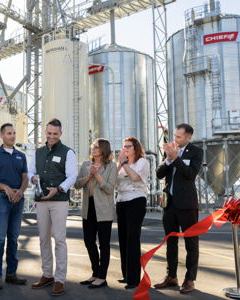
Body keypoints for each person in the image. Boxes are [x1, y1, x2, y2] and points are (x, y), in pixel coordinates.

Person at [28, 119, 78, 296]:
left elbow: (72, 176)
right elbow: (31, 172)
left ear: (60, 133)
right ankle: (47, 274)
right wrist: (33, 179)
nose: (51, 137)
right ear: (45, 132)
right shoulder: (38, 152)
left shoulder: (68, 152)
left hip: (59, 201)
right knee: (43, 239)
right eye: (49, 133)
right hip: (41, 201)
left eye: (55, 134)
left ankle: (59, 279)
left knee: (59, 239)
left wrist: (58, 189)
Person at [154, 123, 202, 294]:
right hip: (170, 204)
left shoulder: (196, 152)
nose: (175, 139)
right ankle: (171, 276)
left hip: (187, 205)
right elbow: (159, 174)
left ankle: (189, 279)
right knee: (171, 242)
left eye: (179, 137)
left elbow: (190, 174)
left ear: (188, 137)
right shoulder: (170, 150)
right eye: (175, 136)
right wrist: (168, 159)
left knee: (191, 243)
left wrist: (176, 159)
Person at [0, 123, 29, 289]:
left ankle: (11, 273)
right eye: (9, 133)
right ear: (2, 135)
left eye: (14, 133)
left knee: (13, 238)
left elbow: (25, 177)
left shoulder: (21, 156)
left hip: (18, 200)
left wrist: (21, 191)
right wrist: (6, 188)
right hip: (1, 200)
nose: (12, 136)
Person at [74, 138, 117, 289]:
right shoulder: (86, 164)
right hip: (88, 208)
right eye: (93, 146)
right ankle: (95, 272)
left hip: (104, 209)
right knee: (88, 241)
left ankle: (102, 277)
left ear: (104, 149)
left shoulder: (111, 166)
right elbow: (77, 184)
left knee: (104, 244)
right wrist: (89, 176)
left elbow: (110, 188)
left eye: (97, 147)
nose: (93, 149)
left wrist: (97, 175)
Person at [115, 137, 150, 290]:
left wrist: (124, 164)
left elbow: (135, 178)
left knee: (132, 238)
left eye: (128, 146)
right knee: (123, 238)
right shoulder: (122, 164)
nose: (125, 149)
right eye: (124, 147)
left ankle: (134, 279)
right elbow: (113, 180)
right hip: (121, 201)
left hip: (136, 200)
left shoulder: (142, 162)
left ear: (135, 148)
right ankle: (126, 274)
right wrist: (119, 164)